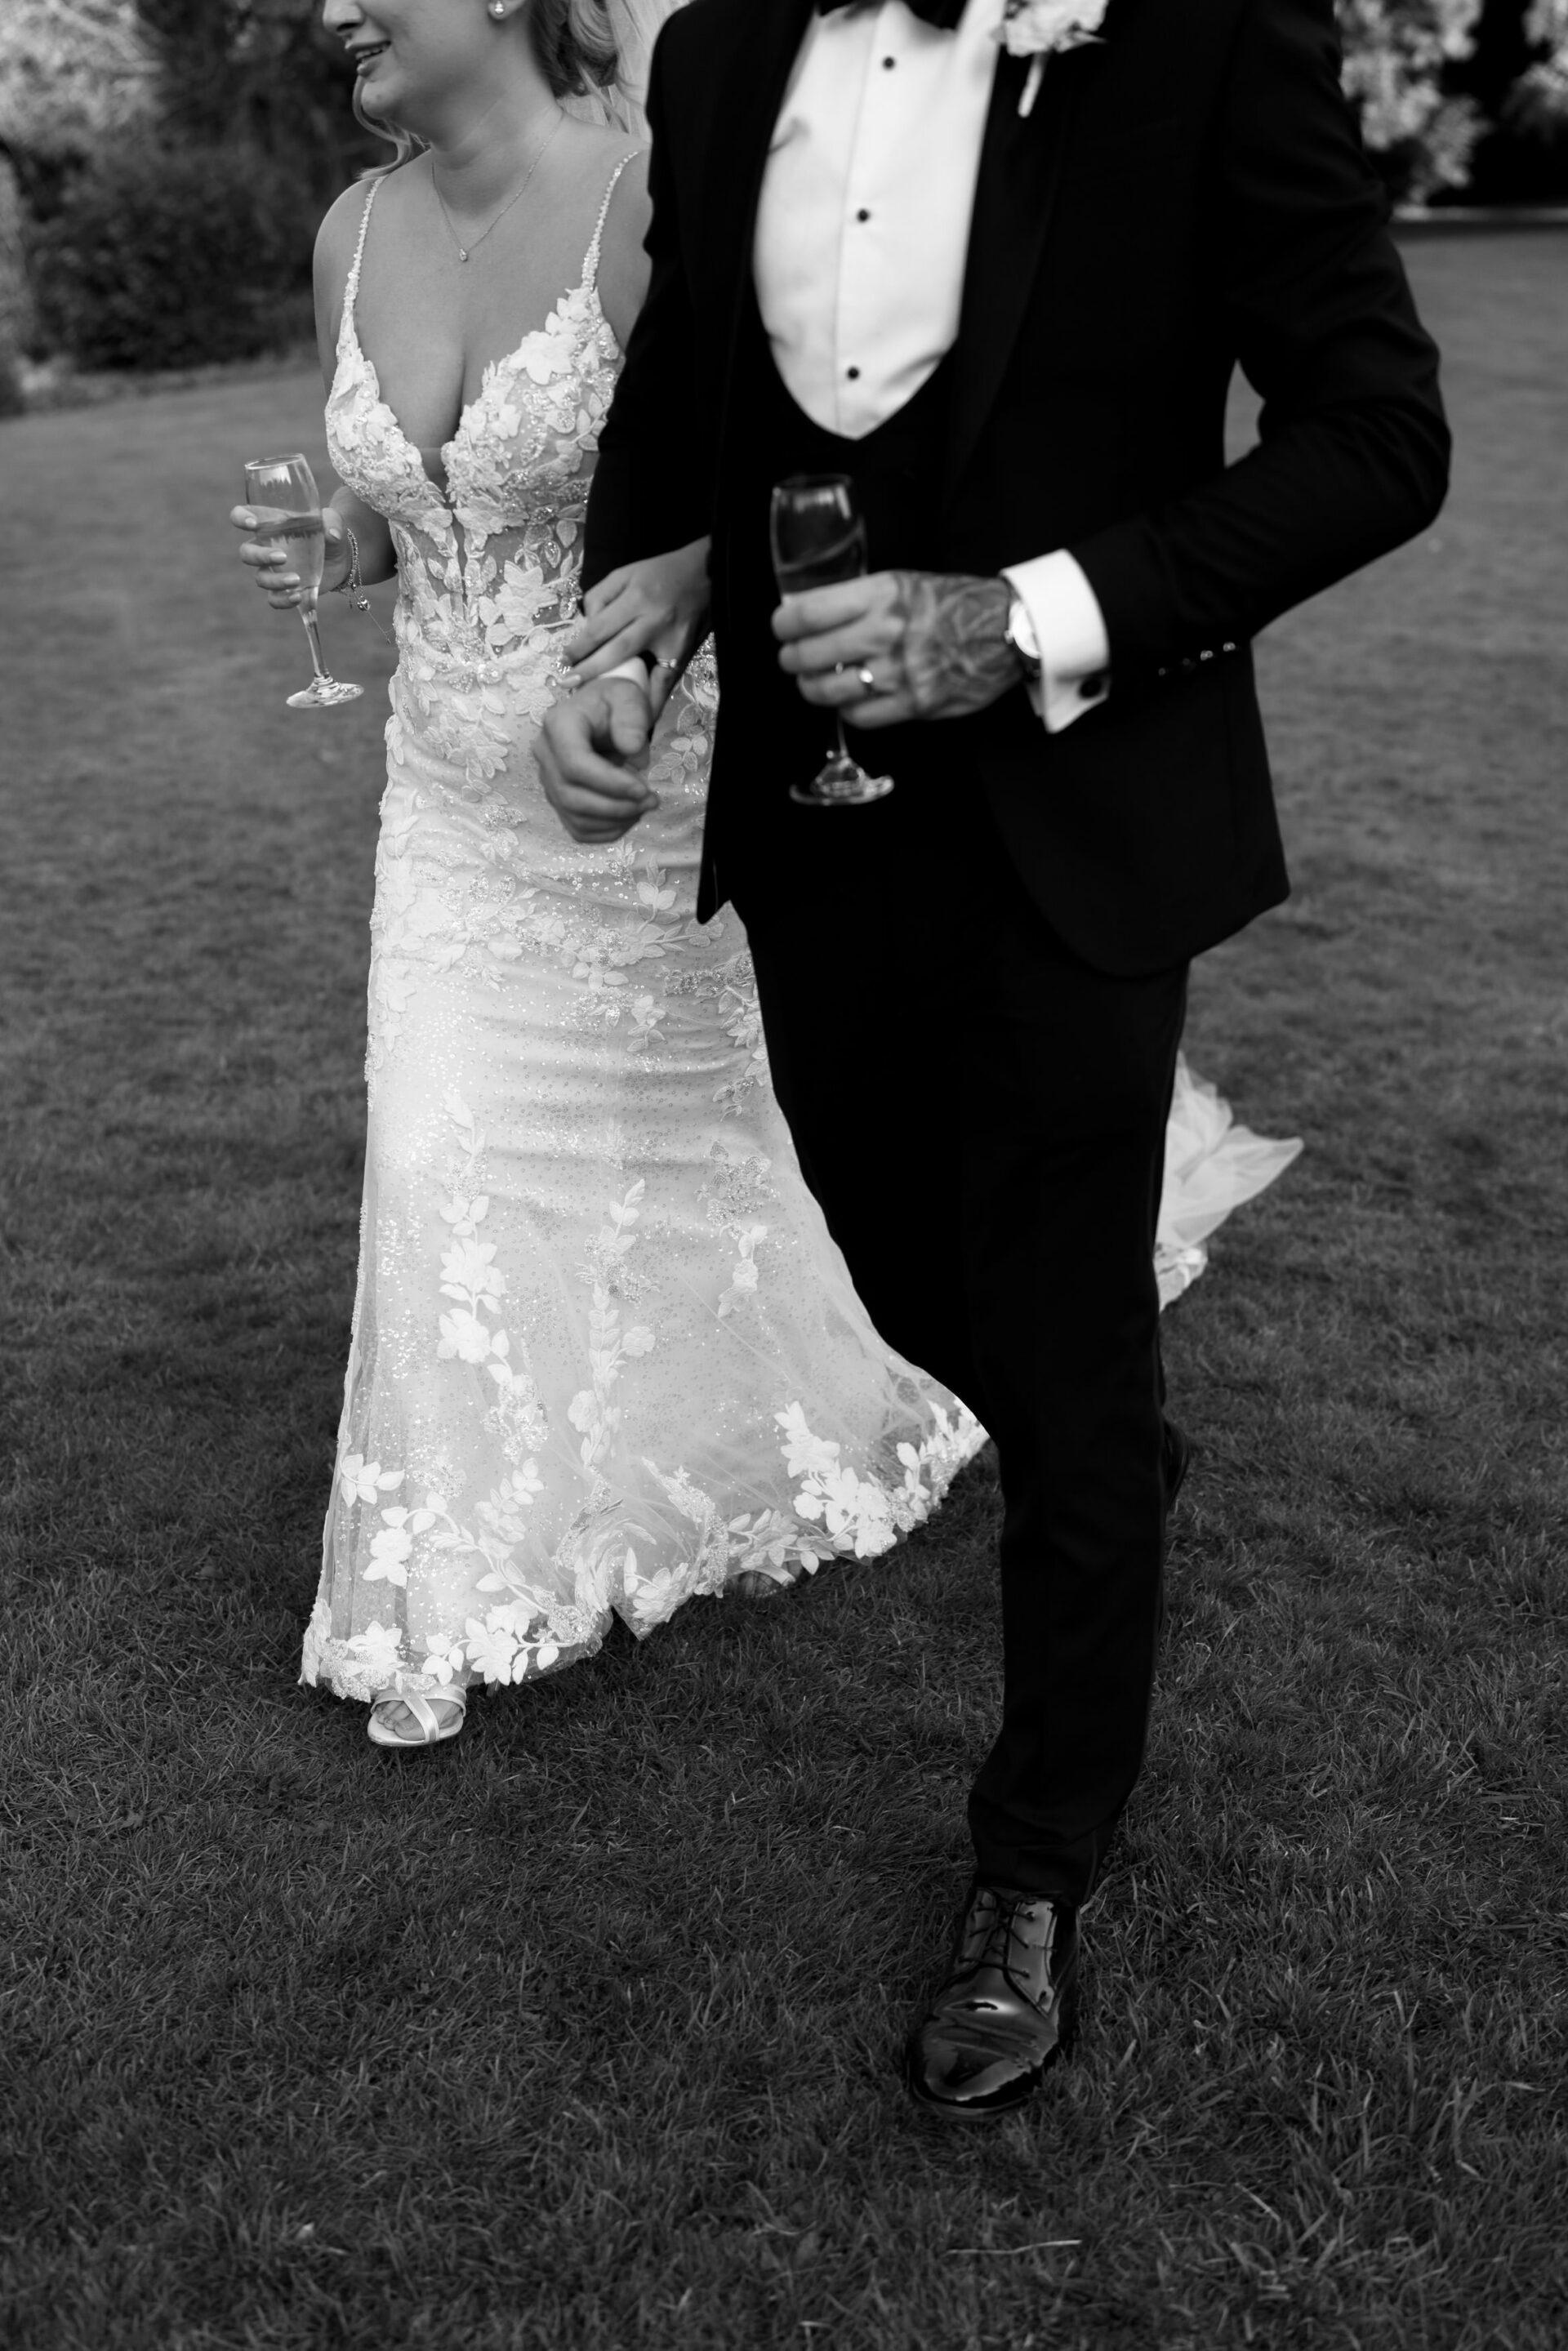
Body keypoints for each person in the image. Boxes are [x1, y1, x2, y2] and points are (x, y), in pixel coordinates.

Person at [537, 0, 1448, 2122]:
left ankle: (1033, 1873)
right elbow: (693, 384)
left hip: (1076, 818)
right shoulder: (721, 46)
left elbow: (1378, 434)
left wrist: (1024, 617)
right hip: (810, 816)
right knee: (895, 1277)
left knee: (1056, 1343)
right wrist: (640, 612)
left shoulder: (1209, 38)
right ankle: (1097, 1432)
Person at [233, 5, 1294, 1769]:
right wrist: (341, 542)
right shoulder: (351, 231)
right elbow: (398, 503)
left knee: (781, 1168)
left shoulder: (655, 181)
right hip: (444, 804)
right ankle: (473, 1566)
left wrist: (661, 645)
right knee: (435, 1159)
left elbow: (750, 453)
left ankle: (1028, 1415)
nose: (333, 5)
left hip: (651, 790)